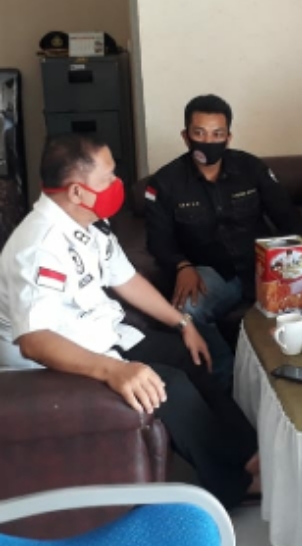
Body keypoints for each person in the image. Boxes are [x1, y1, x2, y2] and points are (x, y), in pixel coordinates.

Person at [0, 134, 260, 510]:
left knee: (190, 355)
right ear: (77, 191)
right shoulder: (39, 246)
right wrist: (114, 371)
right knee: (168, 385)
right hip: (53, 363)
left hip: (101, 335)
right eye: (107, 178)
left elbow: (126, 279)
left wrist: (184, 323)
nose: (117, 184)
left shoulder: (90, 223)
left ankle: (251, 455)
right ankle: (233, 484)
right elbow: (35, 341)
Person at [145, 94, 302, 385]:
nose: (209, 141)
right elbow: (158, 240)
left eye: (217, 134)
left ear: (228, 137)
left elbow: (288, 219)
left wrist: (299, 264)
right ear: (185, 136)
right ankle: (231, 380)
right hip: (213, 273)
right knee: (188, 309)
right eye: (200, 133)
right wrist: (181, 266)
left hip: (265, 268)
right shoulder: (166, 182)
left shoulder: (251, 169)